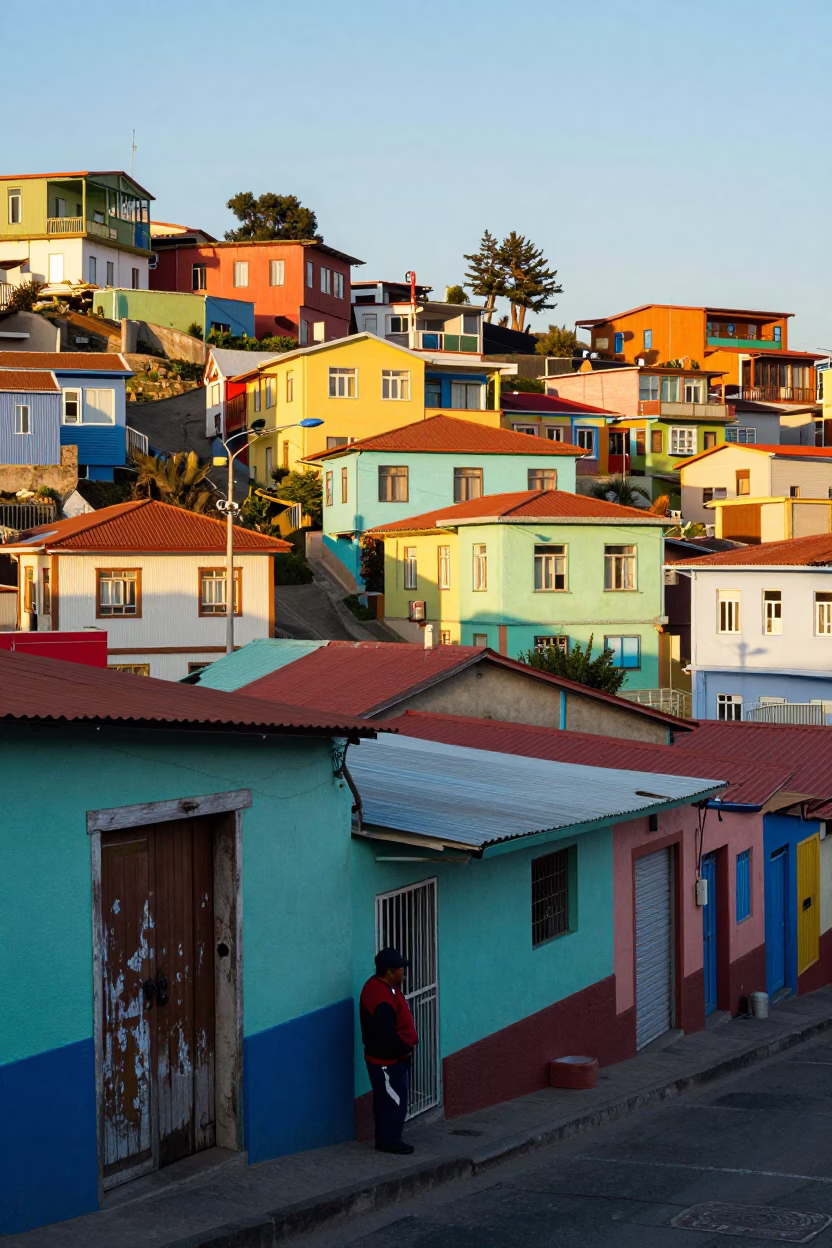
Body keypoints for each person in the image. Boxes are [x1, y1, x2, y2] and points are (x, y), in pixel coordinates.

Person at [359, 947, 419, 1154]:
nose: (404, 973)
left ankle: (387, 1138)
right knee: (393, 1101)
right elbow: (385, 1035)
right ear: (389, 971)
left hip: (390, 1059)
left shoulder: (384, 987)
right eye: (400, 969)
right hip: (387, 1061)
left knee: (388, 1099)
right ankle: (389, 1142)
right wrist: (403, 1051)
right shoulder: (379, 997)